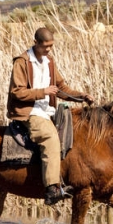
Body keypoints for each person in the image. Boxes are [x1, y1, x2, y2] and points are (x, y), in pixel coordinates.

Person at [6, 27, 94, 205]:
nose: (48, 49)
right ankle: (52, 189)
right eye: (45, 46)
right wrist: (43, 92)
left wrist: (81, 96)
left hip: (48, 111)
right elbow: (17, 92)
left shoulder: (49, 62)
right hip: (30, 112)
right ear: (36, 43)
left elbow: (61, 88)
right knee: (50, 137)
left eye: (51, 46)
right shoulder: (22, 62)